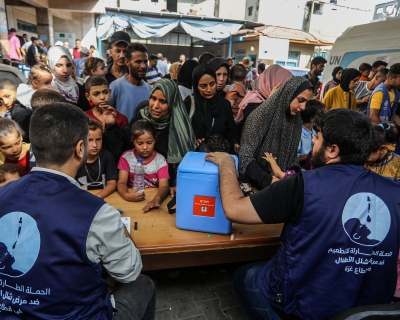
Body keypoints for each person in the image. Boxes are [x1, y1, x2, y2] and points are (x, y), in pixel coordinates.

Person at [206, 108, 400, 320]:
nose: (313, 144)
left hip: (304, 309)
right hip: (365, 311)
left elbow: (234, 209)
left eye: (317, 139)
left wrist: (227, 163)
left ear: (332, 150)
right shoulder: (394, 192)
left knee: (245, 276)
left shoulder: (301, 185)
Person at [0, 103, 155, 318]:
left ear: (33, 146)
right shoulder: (96, 212)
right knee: (143, 284)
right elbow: (130, 272)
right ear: (80, 148)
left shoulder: (3, 194)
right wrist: (119, 229)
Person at [239, 77, 314, 189]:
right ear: (289, 94)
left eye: (306, 103)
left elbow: (292, 157)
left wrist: (293, 176)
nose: (303, 107)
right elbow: (245, 156)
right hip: (257, 185)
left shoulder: (296, 120)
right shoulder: (260, 116)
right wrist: (268, 180)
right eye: (300, 100)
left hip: (281, 184)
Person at [128, 79, 197, 186]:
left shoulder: (180, 125)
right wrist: (111, 127)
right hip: (138, 183)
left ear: (172, 102)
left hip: (168, 185)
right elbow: (125, 144)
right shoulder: (141, 117)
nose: (155, 106)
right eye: (153, 98)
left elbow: (185, 165)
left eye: (163, 101)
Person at [118, 120, 170, 213]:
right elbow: (121, 182)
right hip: (131, 199)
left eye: (149, 142)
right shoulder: (126, 157)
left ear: (155, 140)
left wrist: (156, 199)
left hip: (152, 199)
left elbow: (164, 186)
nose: (145, 147)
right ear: (133, 141)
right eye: (140, 143)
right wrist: (126, 195)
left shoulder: (160, 160)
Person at [184, 64, 239, 153]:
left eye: (212, 84)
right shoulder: (188, 104)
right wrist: (193, 142)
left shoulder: (224, 105)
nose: (209, 90)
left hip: (219, 158)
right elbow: (181, 134)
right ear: (196, 86)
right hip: (195, 159)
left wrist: (234, 143)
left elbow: (231, 132)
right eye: (203, 86)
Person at [109, 43, 151, 121]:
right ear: (127, 62)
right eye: (138, 62)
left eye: (145, 62)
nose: (143, 66)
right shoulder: (116, 86)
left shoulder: (150, 89)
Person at [76, 119, 117, 198]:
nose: (95, 145)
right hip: (82, 199)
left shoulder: (106, 156)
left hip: (104, 198)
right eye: (89, 140)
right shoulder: (75, 159)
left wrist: (97, 197)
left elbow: (112, 183)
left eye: (98, 139)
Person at [47, 45, 91, 111]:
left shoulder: (79, 89)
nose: (65, 70)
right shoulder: (46, 89)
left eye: (69, 65)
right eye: (59, 65)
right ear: (50, 65)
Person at [298, 99, 325, 167]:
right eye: (321, 114)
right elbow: (294, 159)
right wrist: (313, 154)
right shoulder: (298, 134)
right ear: (312, 117)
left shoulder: (315, 130)